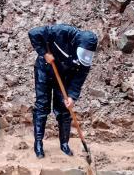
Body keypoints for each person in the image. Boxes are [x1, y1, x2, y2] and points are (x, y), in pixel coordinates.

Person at [28, 24, 98, 158]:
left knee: (64, 110)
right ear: (78, 43)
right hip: (45, 70)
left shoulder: (85, 59)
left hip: (64, 76)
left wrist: (72, 96)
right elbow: (34, 32)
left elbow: (79, 78)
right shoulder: (62, 31)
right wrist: (44, 53)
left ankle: (64, 144)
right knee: (42, 107)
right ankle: (38, 144)